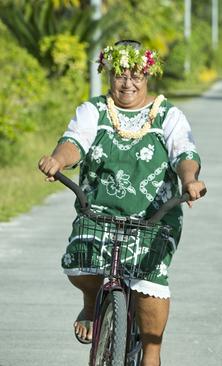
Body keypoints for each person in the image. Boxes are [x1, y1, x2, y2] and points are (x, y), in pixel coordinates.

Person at [38, 40, 205, 366]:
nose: (127, 83)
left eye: (136, 75)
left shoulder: (167, 115)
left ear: (148, 76)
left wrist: (190, 181)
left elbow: (185, 153)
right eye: (119, 75)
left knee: (148, 282)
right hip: (97, 213)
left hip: (154, 217)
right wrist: (58, 160)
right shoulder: (94, 111)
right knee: (80, 260)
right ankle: (91, 304)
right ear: (108, 74)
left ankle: (151, 356)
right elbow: (74, 142)